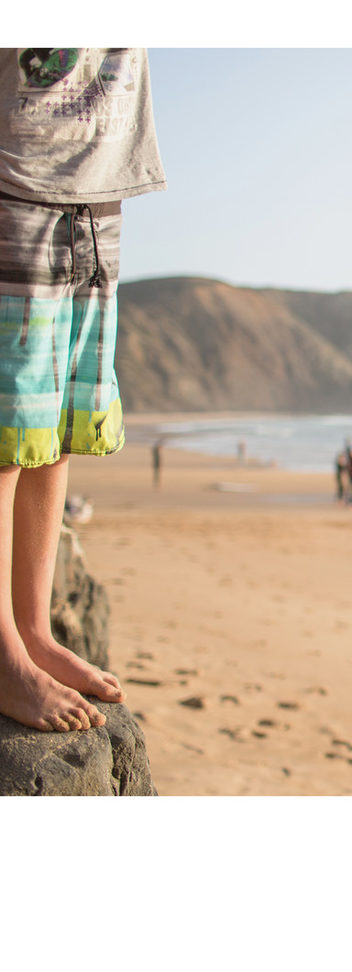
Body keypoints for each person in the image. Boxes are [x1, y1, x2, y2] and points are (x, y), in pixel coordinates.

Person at [0, 48, 166, 732]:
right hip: (17, 175)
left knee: (54, 427)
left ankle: (33, 631)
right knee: (6, 434)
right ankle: (2, 654)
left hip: (98, 187)